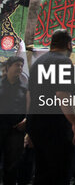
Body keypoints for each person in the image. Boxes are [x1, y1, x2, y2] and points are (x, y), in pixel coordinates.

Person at [27, 28, 75, 185]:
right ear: (69, 45)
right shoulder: (63, 62)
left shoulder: (37, 63)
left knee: (42, 173)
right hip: (56, 127)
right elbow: (62, 95)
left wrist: (29, 125)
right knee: (59, 173)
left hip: (37, 125)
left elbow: (29, 96)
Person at [0, 56, 27, 185]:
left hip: (16, 131)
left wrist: (27, 120)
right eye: (17, 65)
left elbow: (31, 108)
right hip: (0, 128)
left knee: (12, 166)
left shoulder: (25, 87)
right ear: (8, 67)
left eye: (21, 66)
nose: (20, 68)